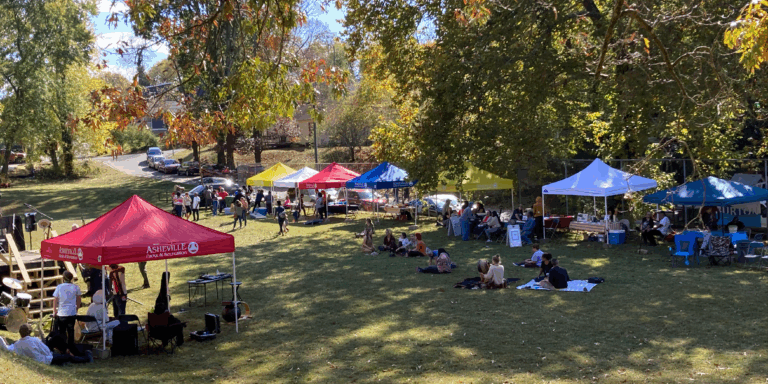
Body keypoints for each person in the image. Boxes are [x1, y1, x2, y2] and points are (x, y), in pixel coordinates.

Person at [1, 324, 91, 365]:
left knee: (55, 339)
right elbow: (46, 351)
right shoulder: (34, 340)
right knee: (67, 357)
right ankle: (86, 357)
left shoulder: (17, 344)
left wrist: (5, 342)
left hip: (42, 358)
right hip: (46, 360)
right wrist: (51, 354)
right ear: (29, 332)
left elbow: (10, 348)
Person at [52, 271, 81, 357]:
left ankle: (63, 349)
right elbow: (79, 299)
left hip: (62, 313)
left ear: (63, 278)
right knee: (71, 331)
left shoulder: (60, 287)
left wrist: (54, 310)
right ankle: (71, 348)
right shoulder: (76, 287)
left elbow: (55, 299)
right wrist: (77, 308)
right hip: (72, 312)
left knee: (62, 332)